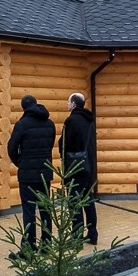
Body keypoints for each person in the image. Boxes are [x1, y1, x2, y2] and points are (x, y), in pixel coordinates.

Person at [7, 95, 56, 256]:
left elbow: (11, 148)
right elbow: (49, 145)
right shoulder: (50, 124)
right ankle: (46, 245)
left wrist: (20, 163)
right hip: (45, 173)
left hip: (27, 175)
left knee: (29, 211)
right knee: (45, 209)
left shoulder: (22, 125)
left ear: (24, 108)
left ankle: (28, 247)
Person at [60, 92, 98, 245]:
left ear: (74, 104)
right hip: (88, 165)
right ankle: (92, 234)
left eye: (68, 101)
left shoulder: (71, 120)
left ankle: (76, 236)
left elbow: (66, 143)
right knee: (88, 200)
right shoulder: (89, 120)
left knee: (74, 201)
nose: (67, 104)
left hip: (75, 166)